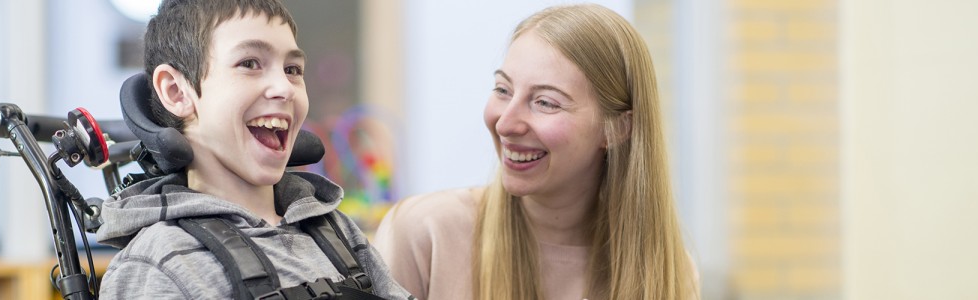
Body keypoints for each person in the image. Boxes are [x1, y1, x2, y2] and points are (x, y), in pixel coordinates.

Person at [374, 4, 698, 300]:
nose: (505, 124)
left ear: (617, 129)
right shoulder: (423, 235)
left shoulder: (669, 272)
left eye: (545, 102)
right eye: (503, 90)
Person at [95, 0, 411, 299]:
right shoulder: (159, 263)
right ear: (177, 92)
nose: (285, 88)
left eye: (293, 70)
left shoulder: (337, 230)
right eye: (250, 64)